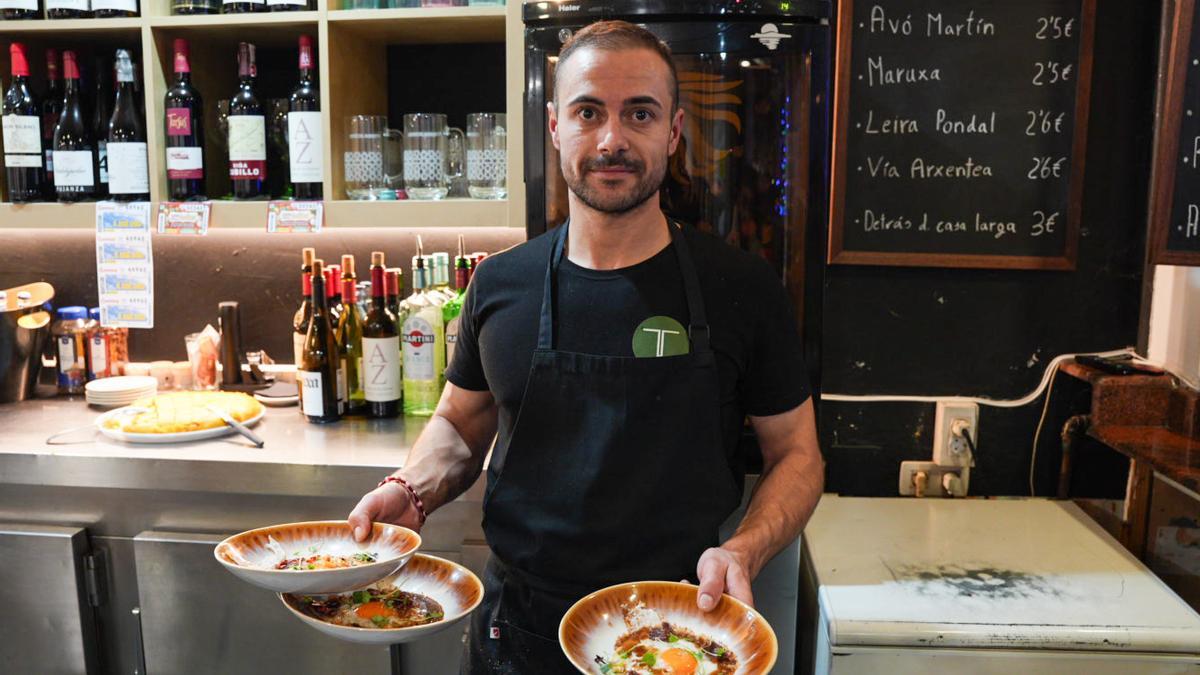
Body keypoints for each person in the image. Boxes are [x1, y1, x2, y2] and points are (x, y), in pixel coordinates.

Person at [348, 20, 824, 674]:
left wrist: (743, 550)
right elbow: (461, 423)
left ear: (674, 131)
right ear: (554, 126)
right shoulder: (501, 282)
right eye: (589, 112)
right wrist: (413, 487)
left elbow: (798, 454)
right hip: (517, 637)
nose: (612, 139)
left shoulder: (741, 288)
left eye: (639, 114)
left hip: (674, 632)